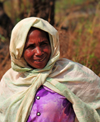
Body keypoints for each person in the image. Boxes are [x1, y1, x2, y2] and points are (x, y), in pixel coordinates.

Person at [0, 17, 100, 122]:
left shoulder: (70, 72)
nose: (39, 52)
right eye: (31, 47)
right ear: (19, 51)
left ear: (52, 44)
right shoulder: (10, 82)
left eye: (43, 44)